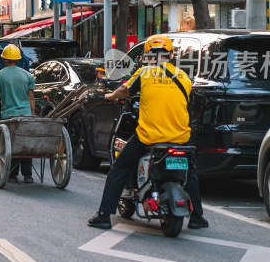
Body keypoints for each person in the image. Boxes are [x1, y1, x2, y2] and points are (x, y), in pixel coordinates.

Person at [88, 34, 208, 230]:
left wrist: (110, 96)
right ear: (170, 54)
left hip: (150, 137)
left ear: (148, 55)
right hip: (180, 137)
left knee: (118, 169)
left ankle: (103, 216)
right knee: (191, 172)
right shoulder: (183, 76)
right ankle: (198, 217)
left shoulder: (144, 73)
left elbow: (124, 91)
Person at [0, 44, 36, 183]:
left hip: (8, 116)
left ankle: (12, 174)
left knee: (11, 143)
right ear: (18, 59)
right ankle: (27, 175)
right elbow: (31, 98)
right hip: (26, 115)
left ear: (4, 60)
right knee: (25, 143)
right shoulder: (27, 75)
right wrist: (32, 115)